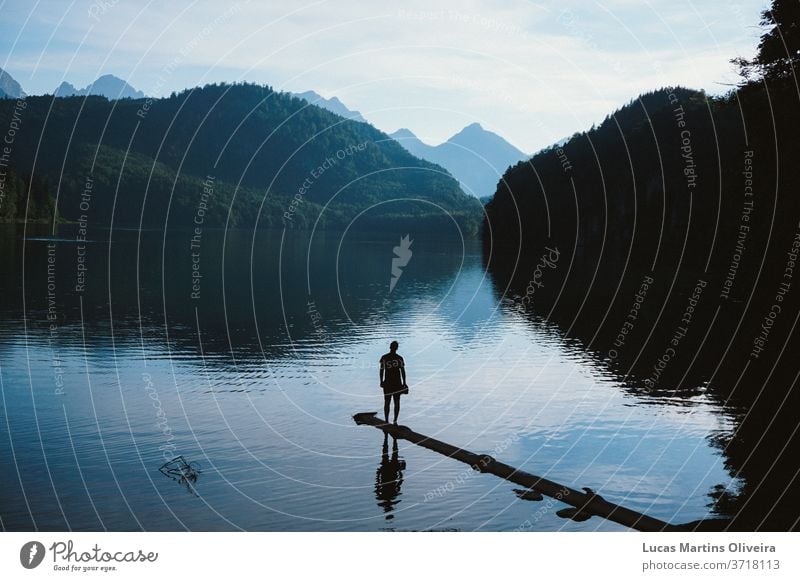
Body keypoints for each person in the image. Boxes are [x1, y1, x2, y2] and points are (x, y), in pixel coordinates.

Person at [379, 340, 407, 424]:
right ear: (397, 348)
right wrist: (404, 383)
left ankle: (386, 420)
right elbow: (403, 371)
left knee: (387, 402)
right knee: (397, 402)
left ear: (390, 347)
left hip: (387, 383)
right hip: (397, 383)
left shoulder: (384, 357)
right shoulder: (399, 358)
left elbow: (381, 370)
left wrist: (381, 381)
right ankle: (395, 420)